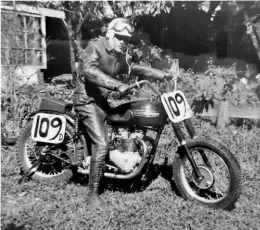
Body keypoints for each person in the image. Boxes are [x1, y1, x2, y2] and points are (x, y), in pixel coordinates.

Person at [74, 18, 172, 208]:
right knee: (102, 144)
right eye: (119, 37)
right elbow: (89, 70)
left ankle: (128, 159)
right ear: (110, 34)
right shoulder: (95, 47)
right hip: (87, 101)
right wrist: (117, 84)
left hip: (101, 101)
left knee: (128, 119)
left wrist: (162, 74)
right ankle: (92, 194)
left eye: (126, 39)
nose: (123, 42)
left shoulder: (119, 55)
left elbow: (132, 68)